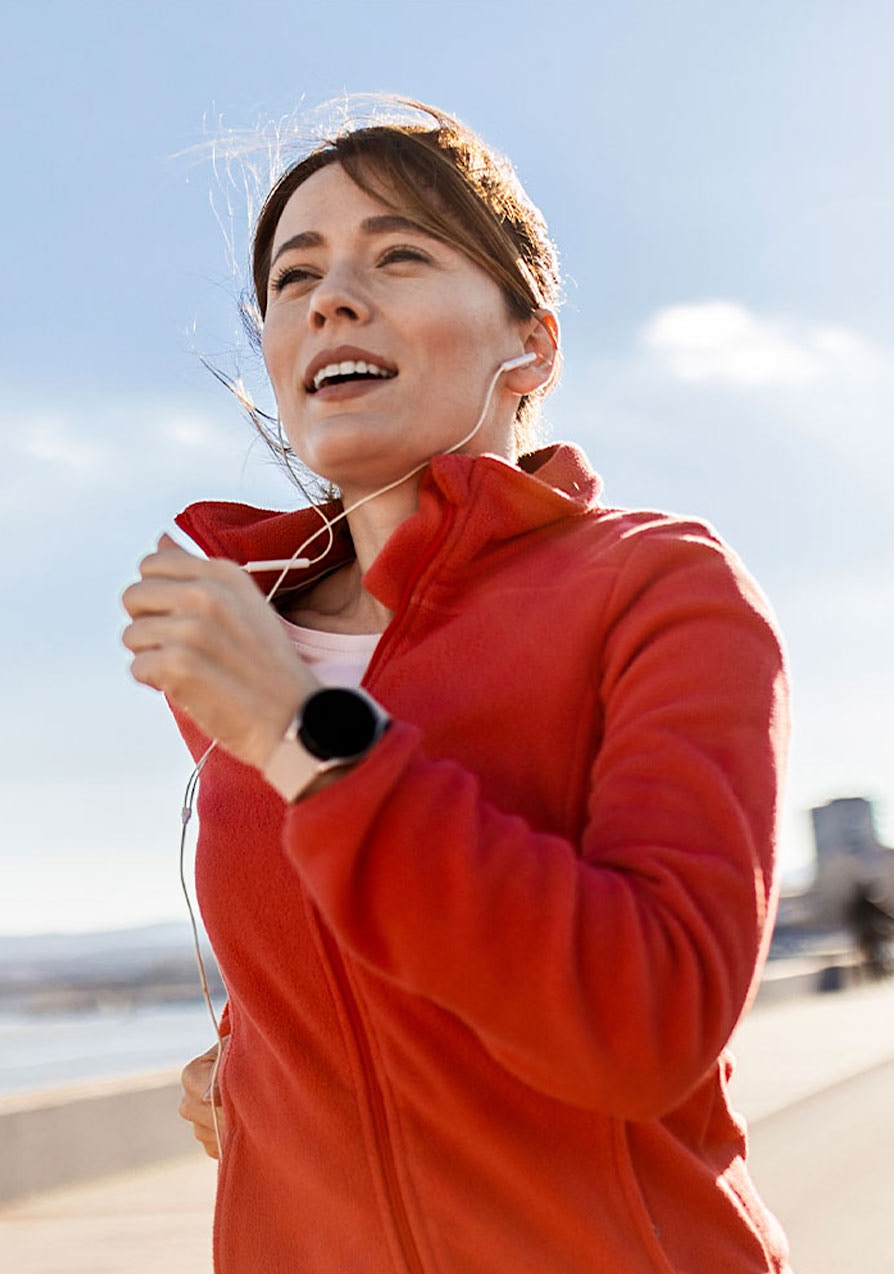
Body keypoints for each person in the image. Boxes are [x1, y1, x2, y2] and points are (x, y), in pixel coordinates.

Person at [122, 100, 792, 1273]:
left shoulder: (658, 585)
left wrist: (303, 728)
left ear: (530, 344)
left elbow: (651, 1021)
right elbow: (360, 942)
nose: (330, 296)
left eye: (400, 254)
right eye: (295, 276)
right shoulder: (256, 628)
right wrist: (266, 1055)